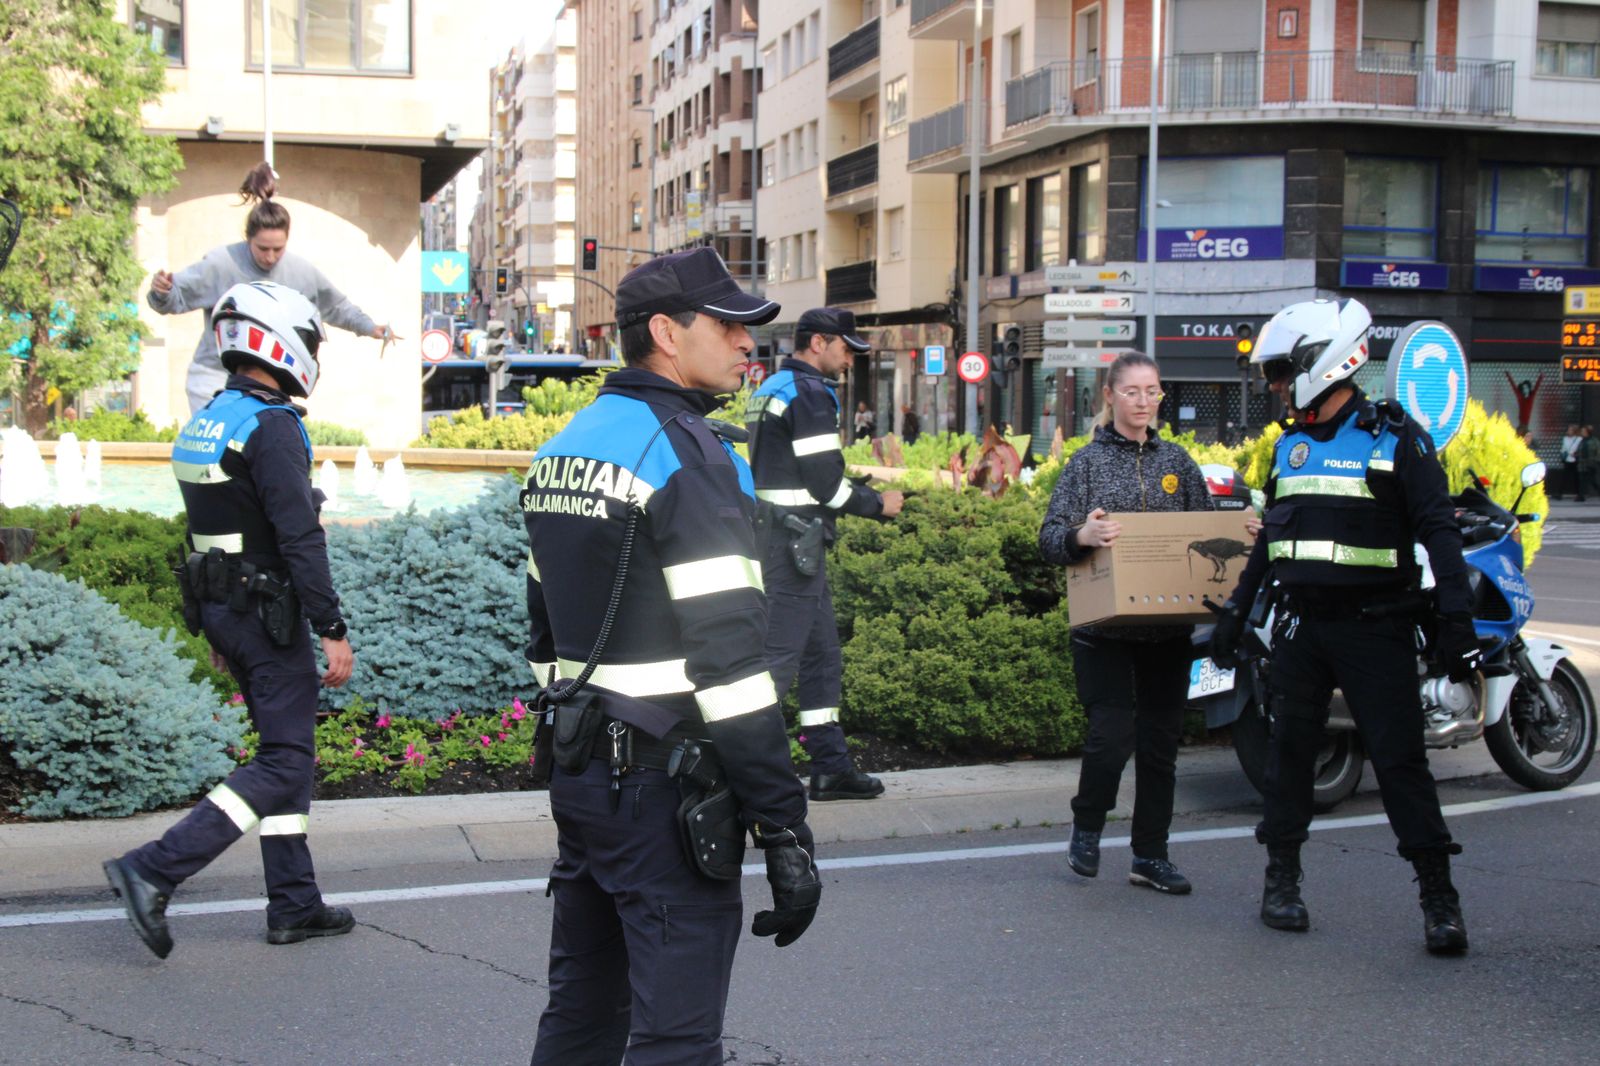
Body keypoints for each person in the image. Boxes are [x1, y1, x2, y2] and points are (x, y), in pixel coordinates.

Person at [524, 247, 819, 1065]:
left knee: (581, 1016)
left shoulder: (566, 446)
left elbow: (544, 630)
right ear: (664, 331)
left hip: (584, 780)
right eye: (726, 326)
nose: (745, 344)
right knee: (678, 1041)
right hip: (664, 792)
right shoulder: (693, 457)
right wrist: (784, 824)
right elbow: (731, 665)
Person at [1209, 296, 1478, 955]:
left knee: (1400, 767)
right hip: (1303, 633)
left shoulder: (1397, 438)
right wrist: (1237, 617)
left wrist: (1457, 623)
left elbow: (1440, 533)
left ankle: (1439, 900)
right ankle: (1282, 883)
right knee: (1288, 761)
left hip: (1375, 631)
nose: (1275, 386)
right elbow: (1272, 545)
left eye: (1281, 372)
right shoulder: (1289, 448)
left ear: (1322, 364)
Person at [103, 282, 356, 959]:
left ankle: (294, 904)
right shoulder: (272, 426)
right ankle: (153, 869)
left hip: (227, 611)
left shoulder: (211, 417)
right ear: (282, 342)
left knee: (286, 755)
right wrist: (331, 627)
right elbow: (299, 536)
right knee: (282, 762)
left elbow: (208, 529)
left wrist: (216, 626)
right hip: (267, 616)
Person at [1037, 351, 1213, 895]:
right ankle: (1087, 827)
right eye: (1133, 391)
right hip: (1103, 632)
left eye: (1152, 391)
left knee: (1161, 745)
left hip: (1167, 630)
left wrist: (1242, 533)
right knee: (1110, 738)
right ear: (1109, 396)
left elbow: (1206, 528)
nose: (1143, 401)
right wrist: (1080, 537)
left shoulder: (1179, 463)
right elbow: (1049, 538)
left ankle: (1150, 855)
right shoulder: (1085, 465)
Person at [746, 307, 904, 801]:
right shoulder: (812, 394)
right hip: (795, 546)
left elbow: (792, 473)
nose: (849, 359)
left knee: (820, 657)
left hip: (787, 541)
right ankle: (745, 774)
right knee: (779, 662)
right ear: (818, 343)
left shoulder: (771, 388)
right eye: (845, 348)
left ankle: (830, 767)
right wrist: (879, 503)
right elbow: (823, 485)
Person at [146, 162, 396, 415]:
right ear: (248, 239)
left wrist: (369, 327)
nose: (270, 257)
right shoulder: (222, 263)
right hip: (214, 378)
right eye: (262, 248)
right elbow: (175, 299)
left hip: (268, 381)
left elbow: (335, 306)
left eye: (278, 249)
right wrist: (162, 292)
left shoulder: (300, 272)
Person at [1560, 424, 1583, 501]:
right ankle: (1560, 493)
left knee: (1576, 478)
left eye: (1570, 430)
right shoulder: (1565, 438)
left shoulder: (1579, 439)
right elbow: (1563, 448)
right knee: (1564, 477)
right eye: (1568, 429)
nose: (1568, 431)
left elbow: (1578, 449)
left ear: (1574, 431)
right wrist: (1563, 453)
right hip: (1567, 460)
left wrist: (1575, 453)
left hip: (1575, 460)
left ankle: (1578, 494)